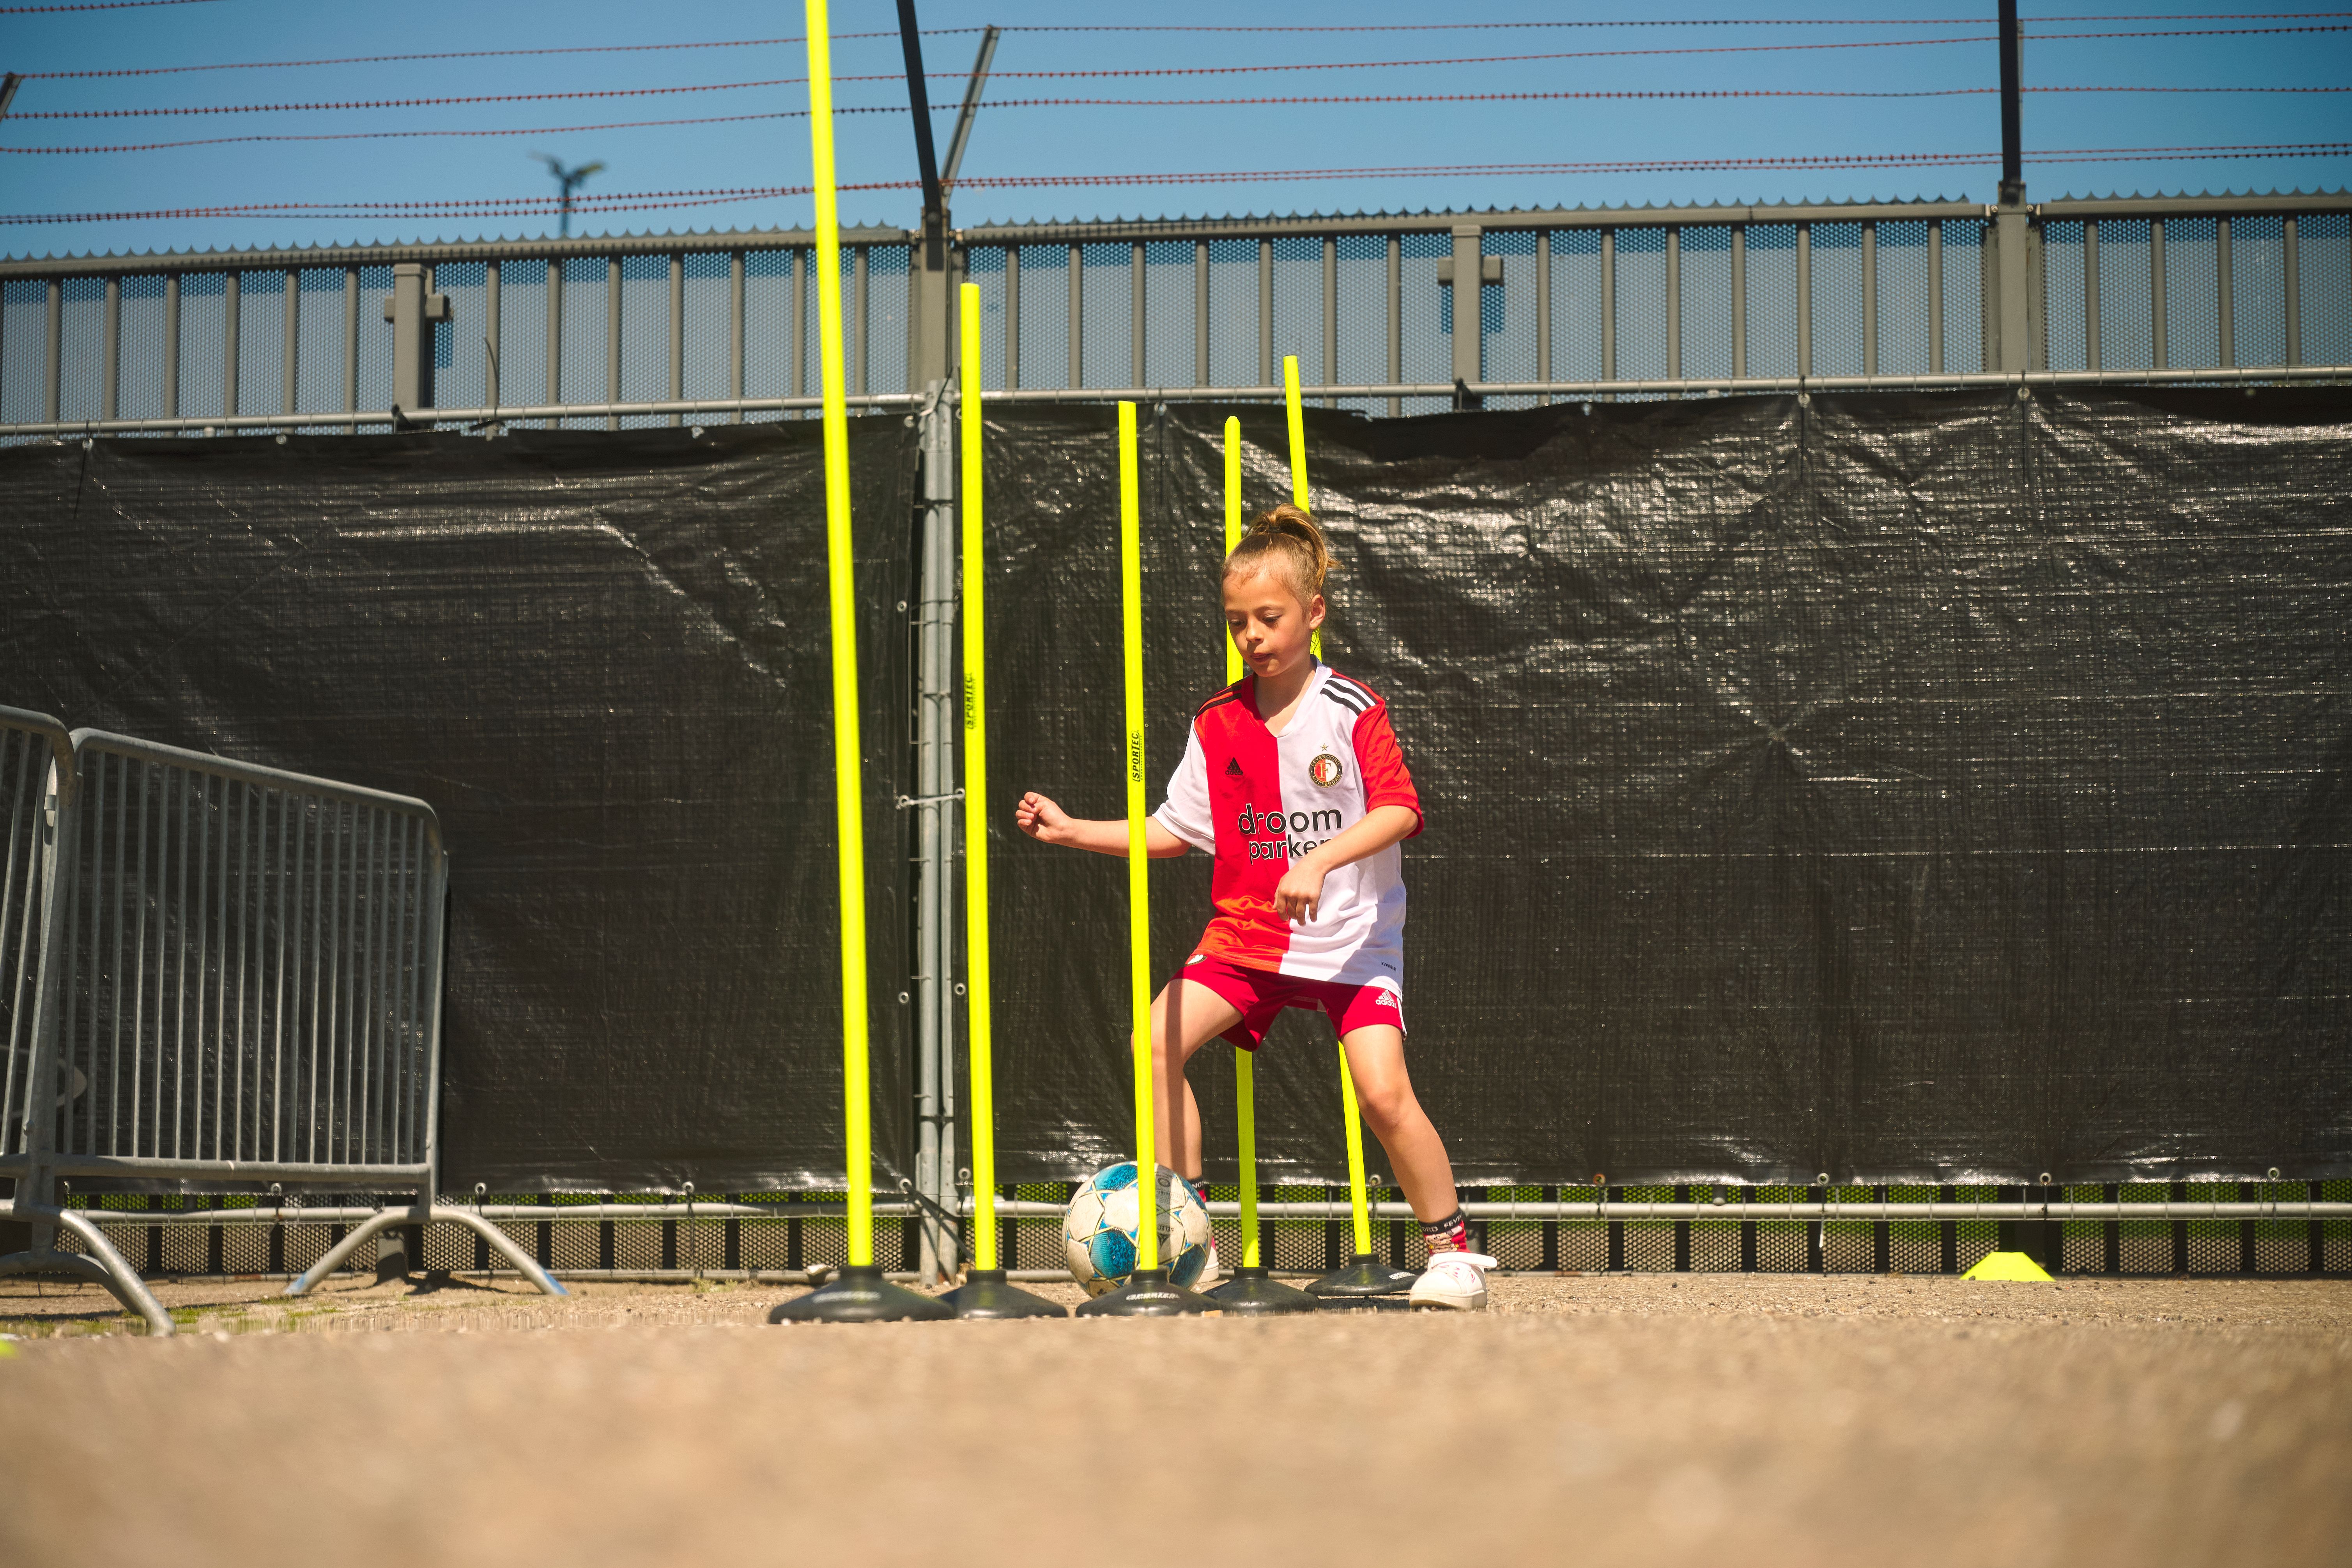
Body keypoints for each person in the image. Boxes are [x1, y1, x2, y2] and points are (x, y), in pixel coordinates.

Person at [1017, 503, 1494, 1310]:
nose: (1251, 635)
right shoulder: (1215, 723)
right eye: (1236, 621)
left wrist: (1318, 856)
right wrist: (1070, 831)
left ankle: (1451, 1253)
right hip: (1249, 937)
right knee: (1153, 1038)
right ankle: (1190, 1237)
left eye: (1267, 617)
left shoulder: (1349, 708)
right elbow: (1173, 830)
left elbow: (1400, 810)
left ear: (1312, 614)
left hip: (1353, 942)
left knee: (1381, 1093)